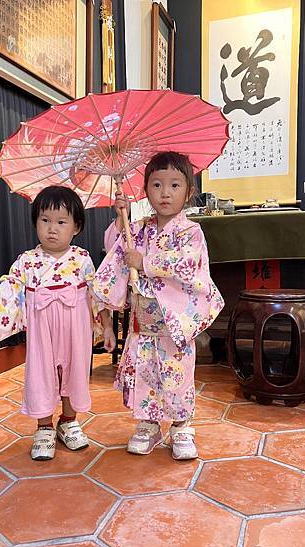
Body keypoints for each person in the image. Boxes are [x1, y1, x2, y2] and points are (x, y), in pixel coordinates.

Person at [0, 186, 115, 461]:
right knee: (42, 375)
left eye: (61, 222)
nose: (52, 228)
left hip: (76, 331)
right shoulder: (27, 262)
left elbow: (97, 296)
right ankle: (44, 428)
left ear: (76, 227)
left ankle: (69, 421)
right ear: (35, 223)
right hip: (43, 333)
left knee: (74, 371)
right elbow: (5, 291)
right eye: (45, 220)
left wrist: (108, 327)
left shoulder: (82, 259)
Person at [93, 151, 224, 460]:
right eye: (156, 185)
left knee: (177, 374)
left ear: (188, 192)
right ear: (146, 190)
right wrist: (119, 219)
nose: (165, 193)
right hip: (143, 320)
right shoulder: (137, 228)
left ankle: (181, 425)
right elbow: (117, 250)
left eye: (175, 185)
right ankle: (149, 425)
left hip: (175, 323)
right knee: (145, 372)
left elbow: (188, 265)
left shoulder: (190, 232)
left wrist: (147, 261)